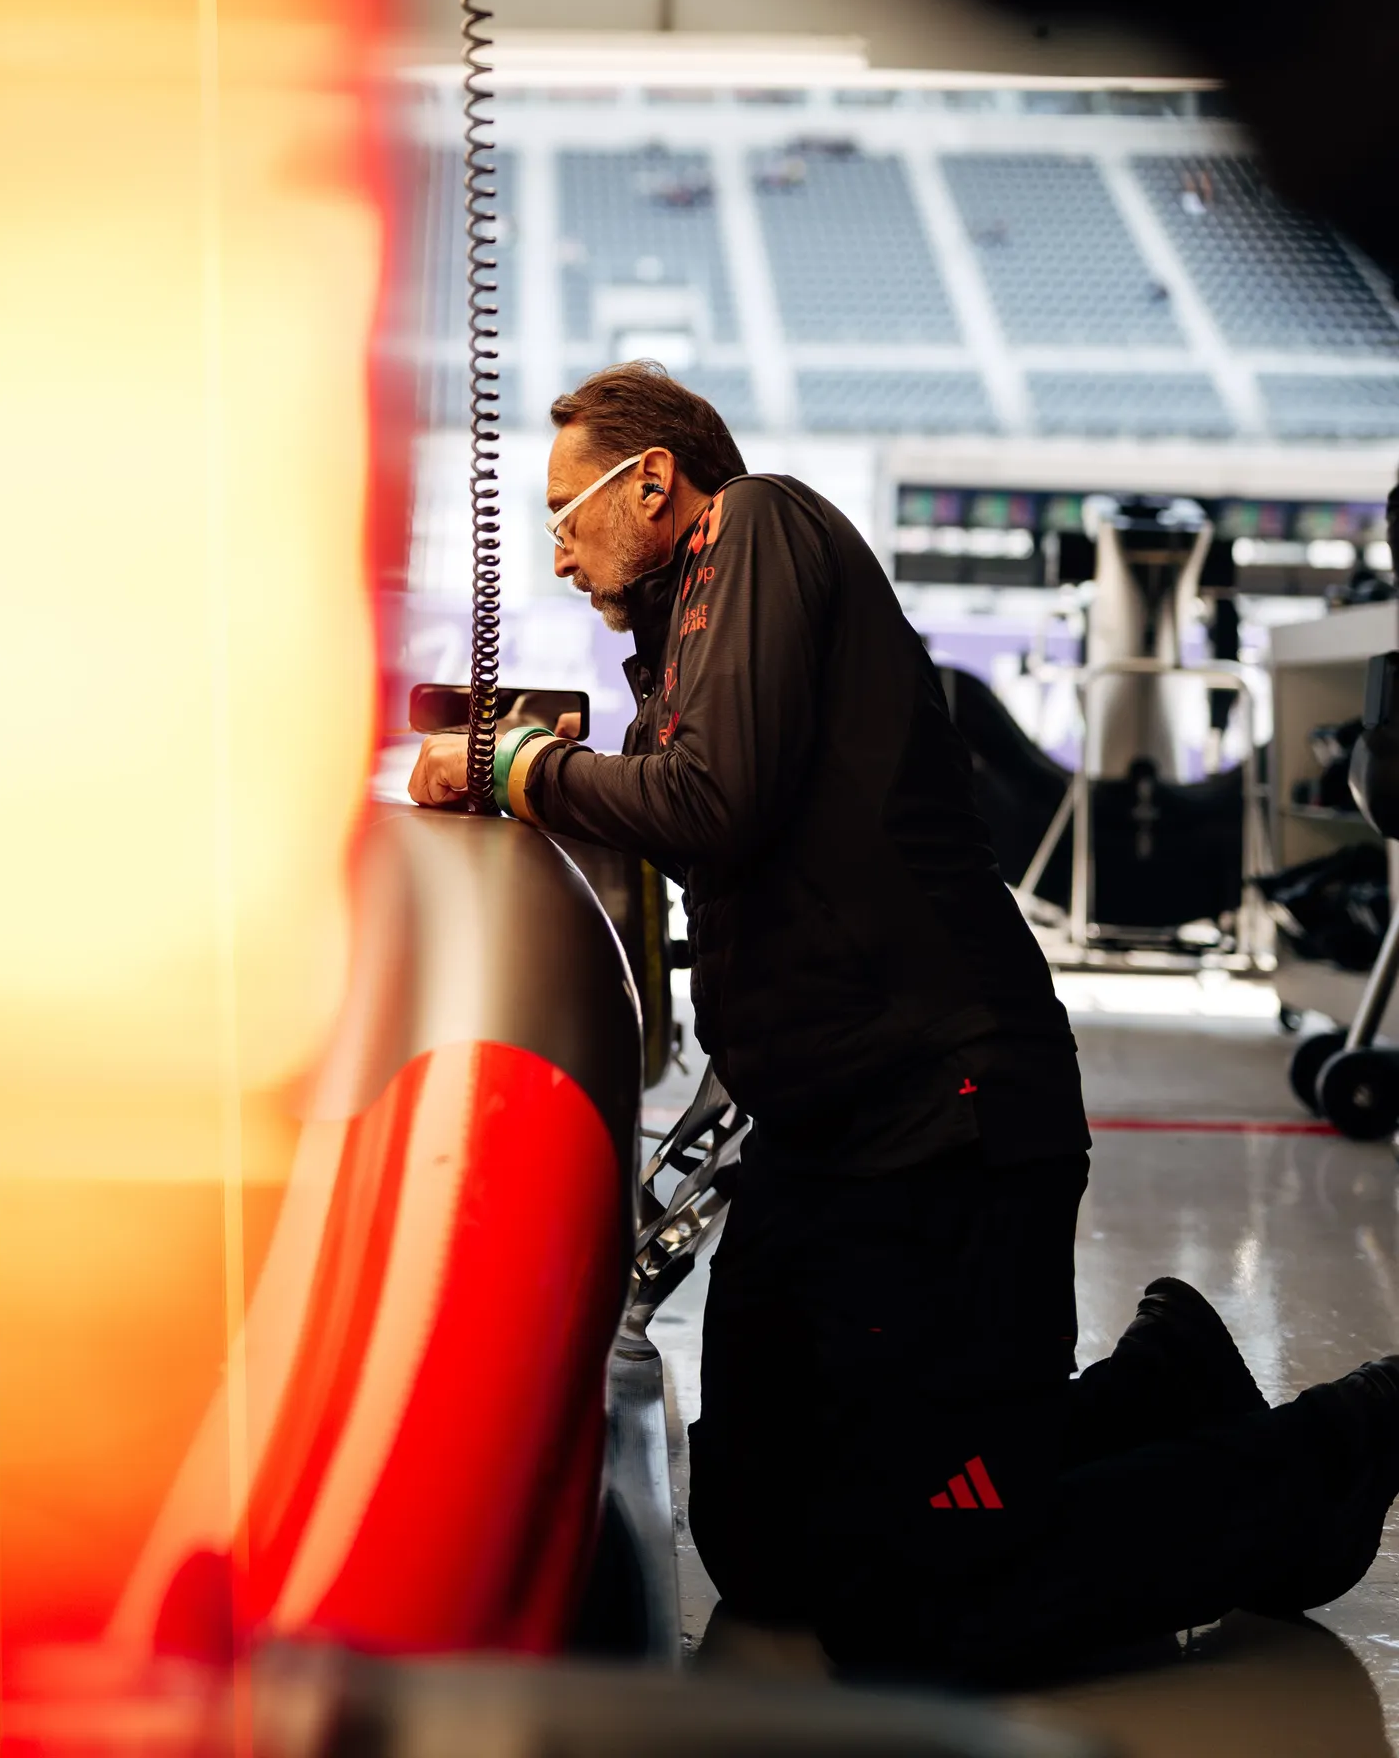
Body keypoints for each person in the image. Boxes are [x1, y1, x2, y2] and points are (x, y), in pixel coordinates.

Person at [410, 363, 1399, 1682]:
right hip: (822, 1147)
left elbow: (714, 799)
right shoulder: (681, 632)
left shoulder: (757, 523)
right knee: (761, 1542)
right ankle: (1162, 1389)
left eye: (562, 507)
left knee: (925, 1609)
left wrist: (508, 764)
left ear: (652, 481)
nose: (553, 545)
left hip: (947, 1125)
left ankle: (1334, 1452)